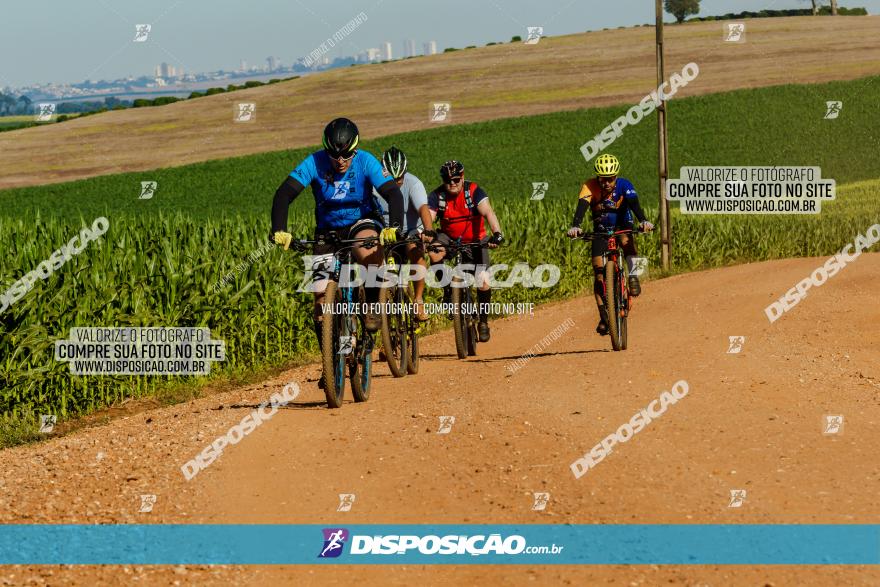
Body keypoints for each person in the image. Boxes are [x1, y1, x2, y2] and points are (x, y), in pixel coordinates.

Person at [271, 117, 405, 344]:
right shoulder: (314, 162)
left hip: (361, 221)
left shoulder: (365, 161)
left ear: (355, 149)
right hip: (328, 229)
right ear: (326, 151)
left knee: (369, 253)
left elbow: (393, 193)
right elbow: (283, 194)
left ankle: (372, 302)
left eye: (346, 155)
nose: (340, 161)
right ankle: (331, 359)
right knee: (320, 298)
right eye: (334, 156)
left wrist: (395, 227)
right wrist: (279, 229)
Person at [566, 153, 654, 336]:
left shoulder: (624, 185)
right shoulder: (589, 186)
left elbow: (634, 204)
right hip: (601, 229)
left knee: (626, 241)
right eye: (602, 179)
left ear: (616, 176)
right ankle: (605, 317)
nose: (606, 183)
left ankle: (633, 276)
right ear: (597, 177)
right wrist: (575, 226)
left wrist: (644, 221)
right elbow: (581, 208)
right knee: (599, 274)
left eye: (610, 179)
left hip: (622, 224)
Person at [426, 160, 504, 343]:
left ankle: (483, 322)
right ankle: (447, 291)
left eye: (455, 179)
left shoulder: (473, 191)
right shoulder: (437, 196)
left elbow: (488, 213)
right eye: (447, 180)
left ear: (462, 177)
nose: (452, 183)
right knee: (433, 252)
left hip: (476, 240)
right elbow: (428, 220)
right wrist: (424, 238)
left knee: (483, 279)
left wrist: (497, 234)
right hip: (449, 238)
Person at [371, 146, 435, 322]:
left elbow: (423, 208)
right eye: (392, 178)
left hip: (410, 230)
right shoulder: (372, 185)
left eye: (400, 178)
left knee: (416, 252)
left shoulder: (413, 183)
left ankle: (418, 300)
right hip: (384, 232)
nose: (396, 183)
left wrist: (428, 230)